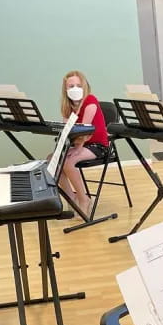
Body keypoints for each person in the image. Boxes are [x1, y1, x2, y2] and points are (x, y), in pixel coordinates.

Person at [56, 70, 110, 216]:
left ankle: (84, 199)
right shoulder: (67, 106)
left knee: (68, 162)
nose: (75, 89)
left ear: (84, 86)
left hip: (97, 145)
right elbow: (67, 130)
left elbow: (84, 131)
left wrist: (77, 149)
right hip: (78, 143)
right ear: (65, 89)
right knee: (52, 161)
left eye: (78, 85)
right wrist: (69, 148)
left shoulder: (90, 101)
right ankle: (71, 198)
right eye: (71, 86)